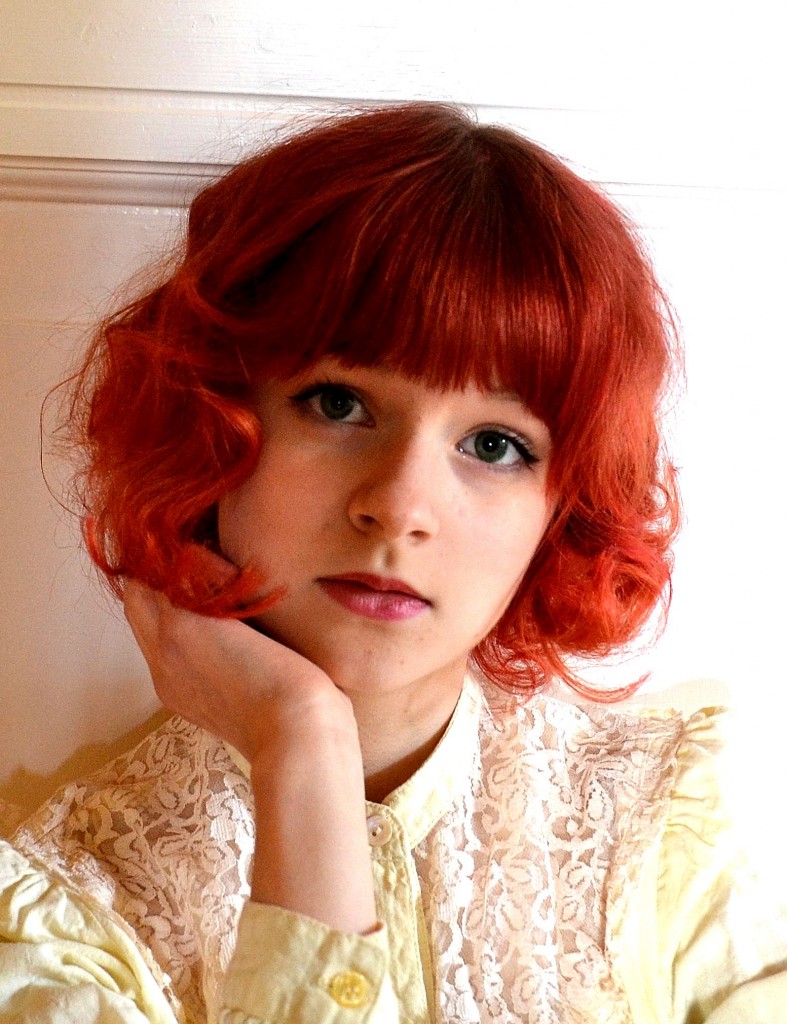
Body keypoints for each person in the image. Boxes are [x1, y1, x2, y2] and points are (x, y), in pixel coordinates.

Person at [0, 102, 784, 1024]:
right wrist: (299, 744)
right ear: (211, 421)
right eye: (337, 403)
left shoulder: (657, 844)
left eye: (493, 445)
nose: (400, 508)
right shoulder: (65, 911)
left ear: (561, 511)